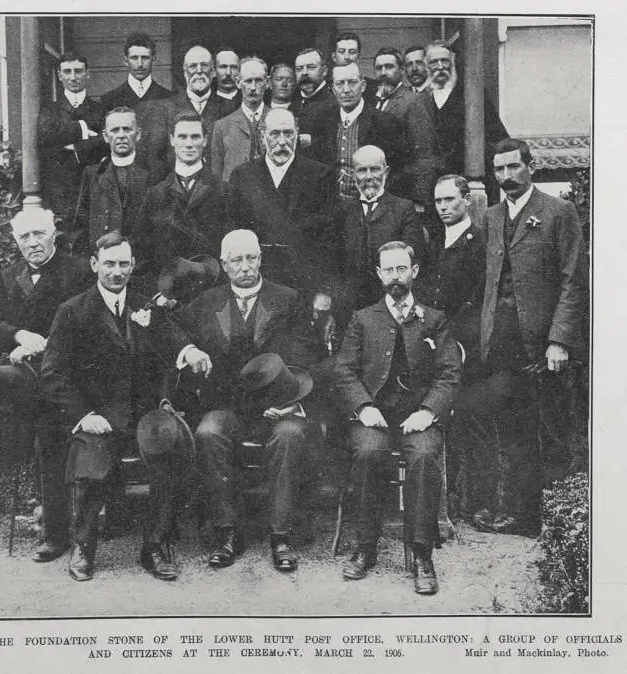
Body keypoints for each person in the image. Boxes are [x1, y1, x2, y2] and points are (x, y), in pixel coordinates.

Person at [40, 232, 195, 582]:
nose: (116, 271)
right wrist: (83, 415)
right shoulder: (72, 311)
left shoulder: (146, 306)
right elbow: (52, 374)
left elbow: (173, 340)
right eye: (109, 263)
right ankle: (83, 546)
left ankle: (153, 547)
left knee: (168, 453)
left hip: (141, 416)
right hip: (97, 417)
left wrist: (190, 352)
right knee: (92, 462)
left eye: (123, 264)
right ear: (95, 264)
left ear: (133, 266)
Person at [457, 138, 589, 535]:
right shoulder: (492, 217)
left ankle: (564, 522)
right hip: (503, 345)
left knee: (553, 432)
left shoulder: (558, 212)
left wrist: (559, 340)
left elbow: (573, 280)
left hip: (545, 346)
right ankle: (524, 514)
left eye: (513, 167)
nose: (506, 176)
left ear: (530, 167)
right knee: (514, 429)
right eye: (499, 169)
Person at [176, 229, 319, 573]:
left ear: (261, 258)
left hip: (279, 405)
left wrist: (289, 400)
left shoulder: (288, 300)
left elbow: (304, 355)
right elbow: (176, 332)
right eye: (237, 260)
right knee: (208, 432)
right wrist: (189, 349)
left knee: (289, 435)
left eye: (251, 257)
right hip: (229, 406)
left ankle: (280, 535)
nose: (245, 266)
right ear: (223, 264)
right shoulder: (204, 304)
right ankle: (227, 532)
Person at [328, 241, 462, 593]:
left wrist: (429, 410)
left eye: (401, 269)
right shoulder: (362, 318)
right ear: (378, 274)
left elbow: (449, 373)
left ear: (414, 271)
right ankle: (365, 546)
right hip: (374, 417)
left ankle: (422, 554)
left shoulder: (434, 319)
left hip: (418, 418)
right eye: (388, 270)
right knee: (369, 453)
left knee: (423, 456)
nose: (395, 277)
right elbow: (343, 370)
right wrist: (363, 406)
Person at [0, 209, 92, 561]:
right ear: (16, 242)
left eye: (38, 234)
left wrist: (48, 343)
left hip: (61, 381)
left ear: (53, 234)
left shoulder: (77, 271)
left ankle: (55, 535)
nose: (32, 243)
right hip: (19, 382)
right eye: (24, 238)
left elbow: (90, 322)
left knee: (49, 438)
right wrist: (18, 336)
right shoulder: (7, 278)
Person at [228, 108, 331, 295]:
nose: (282, 142)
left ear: (297, 134)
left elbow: (329, 241)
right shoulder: (242, 175)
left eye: (288, 134)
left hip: (304, 282)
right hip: (258, 279)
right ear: (262, 136)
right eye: (275, 134)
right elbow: (235, 232)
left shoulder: (320, 175)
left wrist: (323, 292)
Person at [133, 111, 232, 288]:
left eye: (195, 137)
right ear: (172, 140)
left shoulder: (225, 192)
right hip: (168, 293)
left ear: (205, 140)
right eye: (182, 137)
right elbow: (141, 251)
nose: (188, 144)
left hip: (212, 291)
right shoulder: (155, 194)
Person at [331, 145, 425, 325]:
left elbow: (414, 258)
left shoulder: (403, 209)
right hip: (351, 308)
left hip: (391, 304)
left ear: (386, 171)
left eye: (374, 169)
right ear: (353, 174)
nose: (368, 177)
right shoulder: (343, 211)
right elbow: (335, 262)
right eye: (362, 170)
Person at [415, 174, 485, 365]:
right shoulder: (434, 242)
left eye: (449, 199)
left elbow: (477, 297)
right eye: (438, 201)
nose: (443, 207)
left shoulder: (481, 242)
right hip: (430, 338)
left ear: (467, 200)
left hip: (464, 340)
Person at [72, 107, 162, 255]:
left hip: (143, 262)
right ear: (106, 136)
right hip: (103, 260)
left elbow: (160, 227)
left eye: (127, 129)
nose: (121, 135)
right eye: (114, 130)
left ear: (138, 134)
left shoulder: (156, 173)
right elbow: (81, 226)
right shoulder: (93, 174)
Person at [311, 62, 405, 202]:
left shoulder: (384, 122)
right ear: (332, 89)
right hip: (331, 207)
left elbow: (397, 170)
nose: (346, 89)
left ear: (363, 85)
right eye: (340, 84)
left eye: (352, 83)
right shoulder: (323, 121)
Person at [37, 52, 106, 230]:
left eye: (78, 71)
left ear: (87, 74)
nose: (73, 77)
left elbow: (106, 143)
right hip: (61, 193)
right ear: (59, 75)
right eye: (67, 72)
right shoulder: (49, 111)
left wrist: (74, 147)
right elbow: (46, 139)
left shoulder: (100, 110)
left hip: (93, 191)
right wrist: (83, 128)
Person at [424, 41, 508, 182]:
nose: (440, 67)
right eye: (434, 62)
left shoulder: (471, 95)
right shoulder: (423, 99)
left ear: (453, 63)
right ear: (426, 66)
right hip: (434, 180)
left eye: (445, 61)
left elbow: (498, 137)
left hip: (467, 179)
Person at [370, 47, 441, 206]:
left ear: (401, 70)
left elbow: (425, 155)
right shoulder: (373, 102)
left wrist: (419, 200)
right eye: (379, 68)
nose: (383, 73)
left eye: (389, 67)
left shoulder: (412, 101)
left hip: (403, 193)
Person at [211, 57, 269, 181]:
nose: (253, 87)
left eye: (258, 81)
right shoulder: (222, 126)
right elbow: (216, 176)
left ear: (267, 83)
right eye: (248, 81)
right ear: (238, 83)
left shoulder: (280, 121)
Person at [99, 32, 173, 112]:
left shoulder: (168, 97)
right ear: (126, 61)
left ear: (154, 60)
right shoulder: (109, 100)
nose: (140, 64)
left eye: (145, 58)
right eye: (134, 58)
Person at [289, 47, 337, 145]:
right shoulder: (293, 106)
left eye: (311, 67)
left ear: (324, 71)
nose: (304, 73)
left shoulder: (335, 105)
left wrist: (313, 142)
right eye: (299, 69)